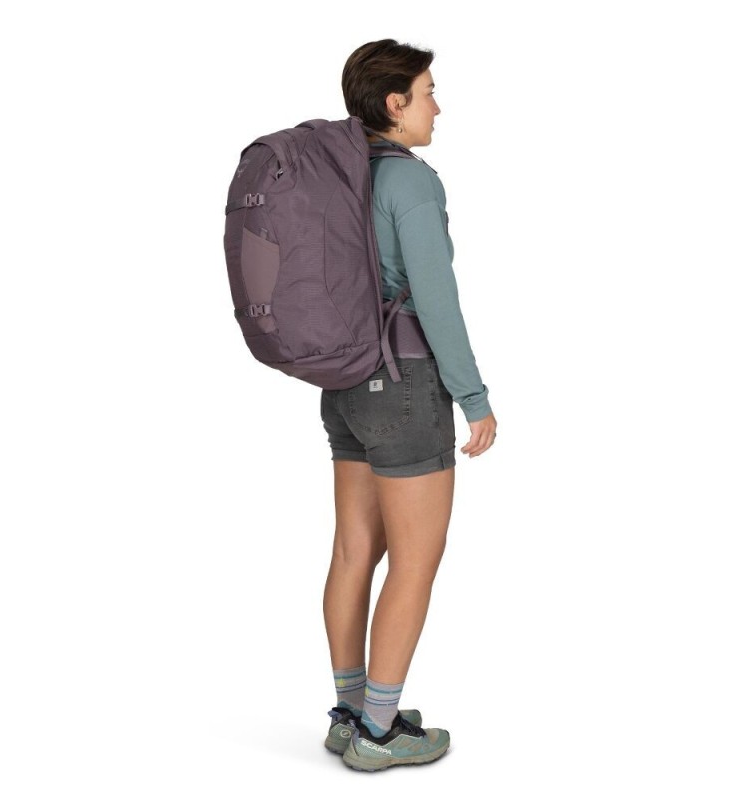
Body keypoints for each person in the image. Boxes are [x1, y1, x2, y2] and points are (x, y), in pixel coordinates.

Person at [320, 39, 498, 771]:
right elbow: (436, 299)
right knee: (416, 561)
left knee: (353, 551)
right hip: (405, 385)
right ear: (394, 104)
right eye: (427, 93)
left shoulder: (335, 176)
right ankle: (379, 730)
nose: (437, 107)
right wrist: (473, 397)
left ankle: (349, 712)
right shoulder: (410, 182)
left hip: (344, 385)